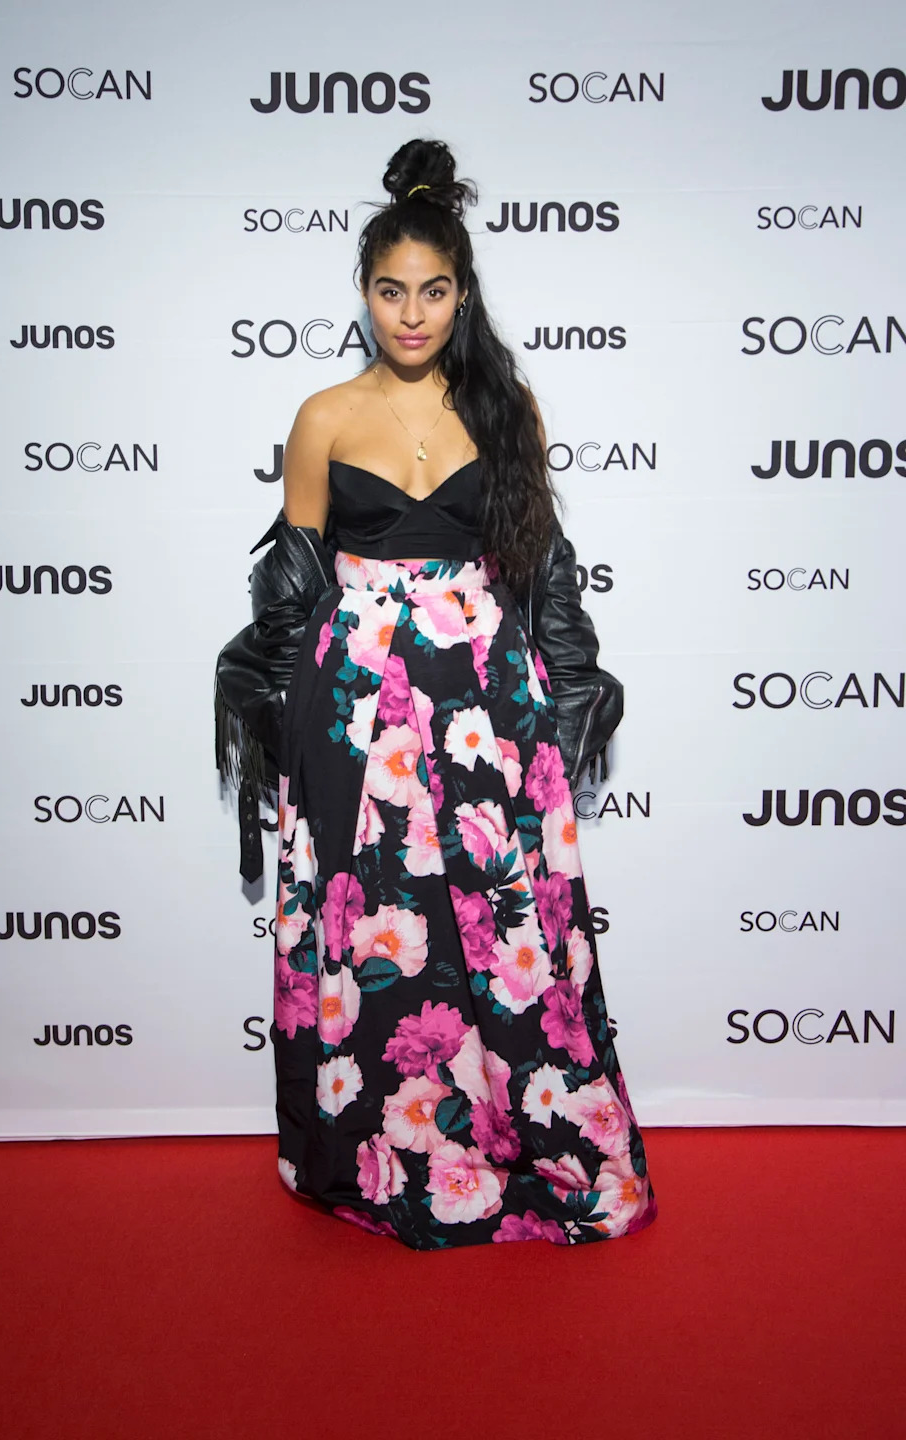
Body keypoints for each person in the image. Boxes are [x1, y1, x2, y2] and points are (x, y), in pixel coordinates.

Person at [215, 138, 657, 1249]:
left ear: (463, 293)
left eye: (435, 291)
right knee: (372, 922)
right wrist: (262, 698)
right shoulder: (323, 417)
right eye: (390, 290)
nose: (411, 314)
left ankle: (524, 1135)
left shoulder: (508, 409)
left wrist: (571, 678)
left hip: (481, 696)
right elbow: (294, 587)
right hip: (353, 702)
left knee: (499, 920)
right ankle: (374, 1146)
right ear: (363, 294)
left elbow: (545, 569)